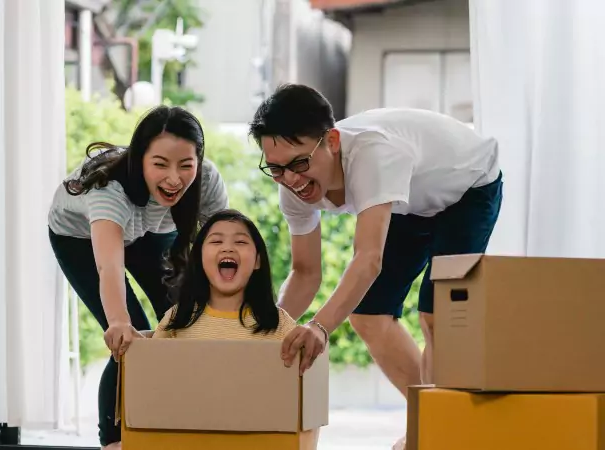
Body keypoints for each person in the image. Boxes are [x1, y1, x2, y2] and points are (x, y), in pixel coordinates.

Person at [248, 83, 502, 398]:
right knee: (368, 314)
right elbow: (305, 273)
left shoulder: (373, 156)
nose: (291, 180)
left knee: (439, 315)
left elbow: (368, 259)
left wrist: (320, 326)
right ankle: (424, 420)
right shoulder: (292, 184)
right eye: (275, 168)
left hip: (469, 185)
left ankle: (441, 434)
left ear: (333, 141)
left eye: (300, 164)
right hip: (411, 200)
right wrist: (266, 333)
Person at [47, 105, 228, 450]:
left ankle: (178, 428)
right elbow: (109, 266)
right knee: (133, 340)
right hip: (82, 240)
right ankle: (113, 442)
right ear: (140, 159)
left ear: (199, 160)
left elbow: (226, 246)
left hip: (151, 233)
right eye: (160, 164)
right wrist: (117, 321)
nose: (174, 178)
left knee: (185, 324)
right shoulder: (108, 189)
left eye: (185, 165)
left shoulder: (207, 180)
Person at [153, 208, 298, 340]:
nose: (228, 248)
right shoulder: (178, 317)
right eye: (216, 241)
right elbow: (150, 364)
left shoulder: (279, 323)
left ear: (257, 261)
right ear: (199, 259)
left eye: (240, 242)